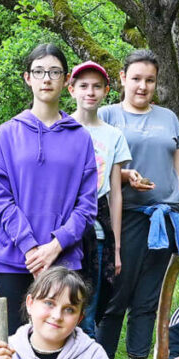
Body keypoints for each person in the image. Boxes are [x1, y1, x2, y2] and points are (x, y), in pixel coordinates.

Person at [96, 49, 179, 359]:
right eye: (136, 78)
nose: (143, 85)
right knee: (115, 300)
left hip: (165, 219)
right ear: (122, 78)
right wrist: (123, 175)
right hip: (124, 219)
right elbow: (92, 165)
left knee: (147, 301)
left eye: (150, 80)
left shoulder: (168, 118)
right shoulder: (106, 115)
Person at [0, 44, 98, 334]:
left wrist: (55, 246)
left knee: (58, 341)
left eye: (54, 72)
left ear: (66, 80)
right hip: (14, 259)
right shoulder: (7, 133)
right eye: (39, 71)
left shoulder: (81, 138)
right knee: (13, 344)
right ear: (28, 78)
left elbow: (87, 206)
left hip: (64, 261)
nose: (46, 78)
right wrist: (31, 248)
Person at [68, 60, 131, 335]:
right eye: (83, 86)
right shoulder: (61, 127)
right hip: (65, 227)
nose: (89, 92)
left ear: (107, 90)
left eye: (96, 86)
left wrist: (116, 247)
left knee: (89, 309)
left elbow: (116, 192)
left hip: (99, 228)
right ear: (71, 90)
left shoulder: (113, 135)